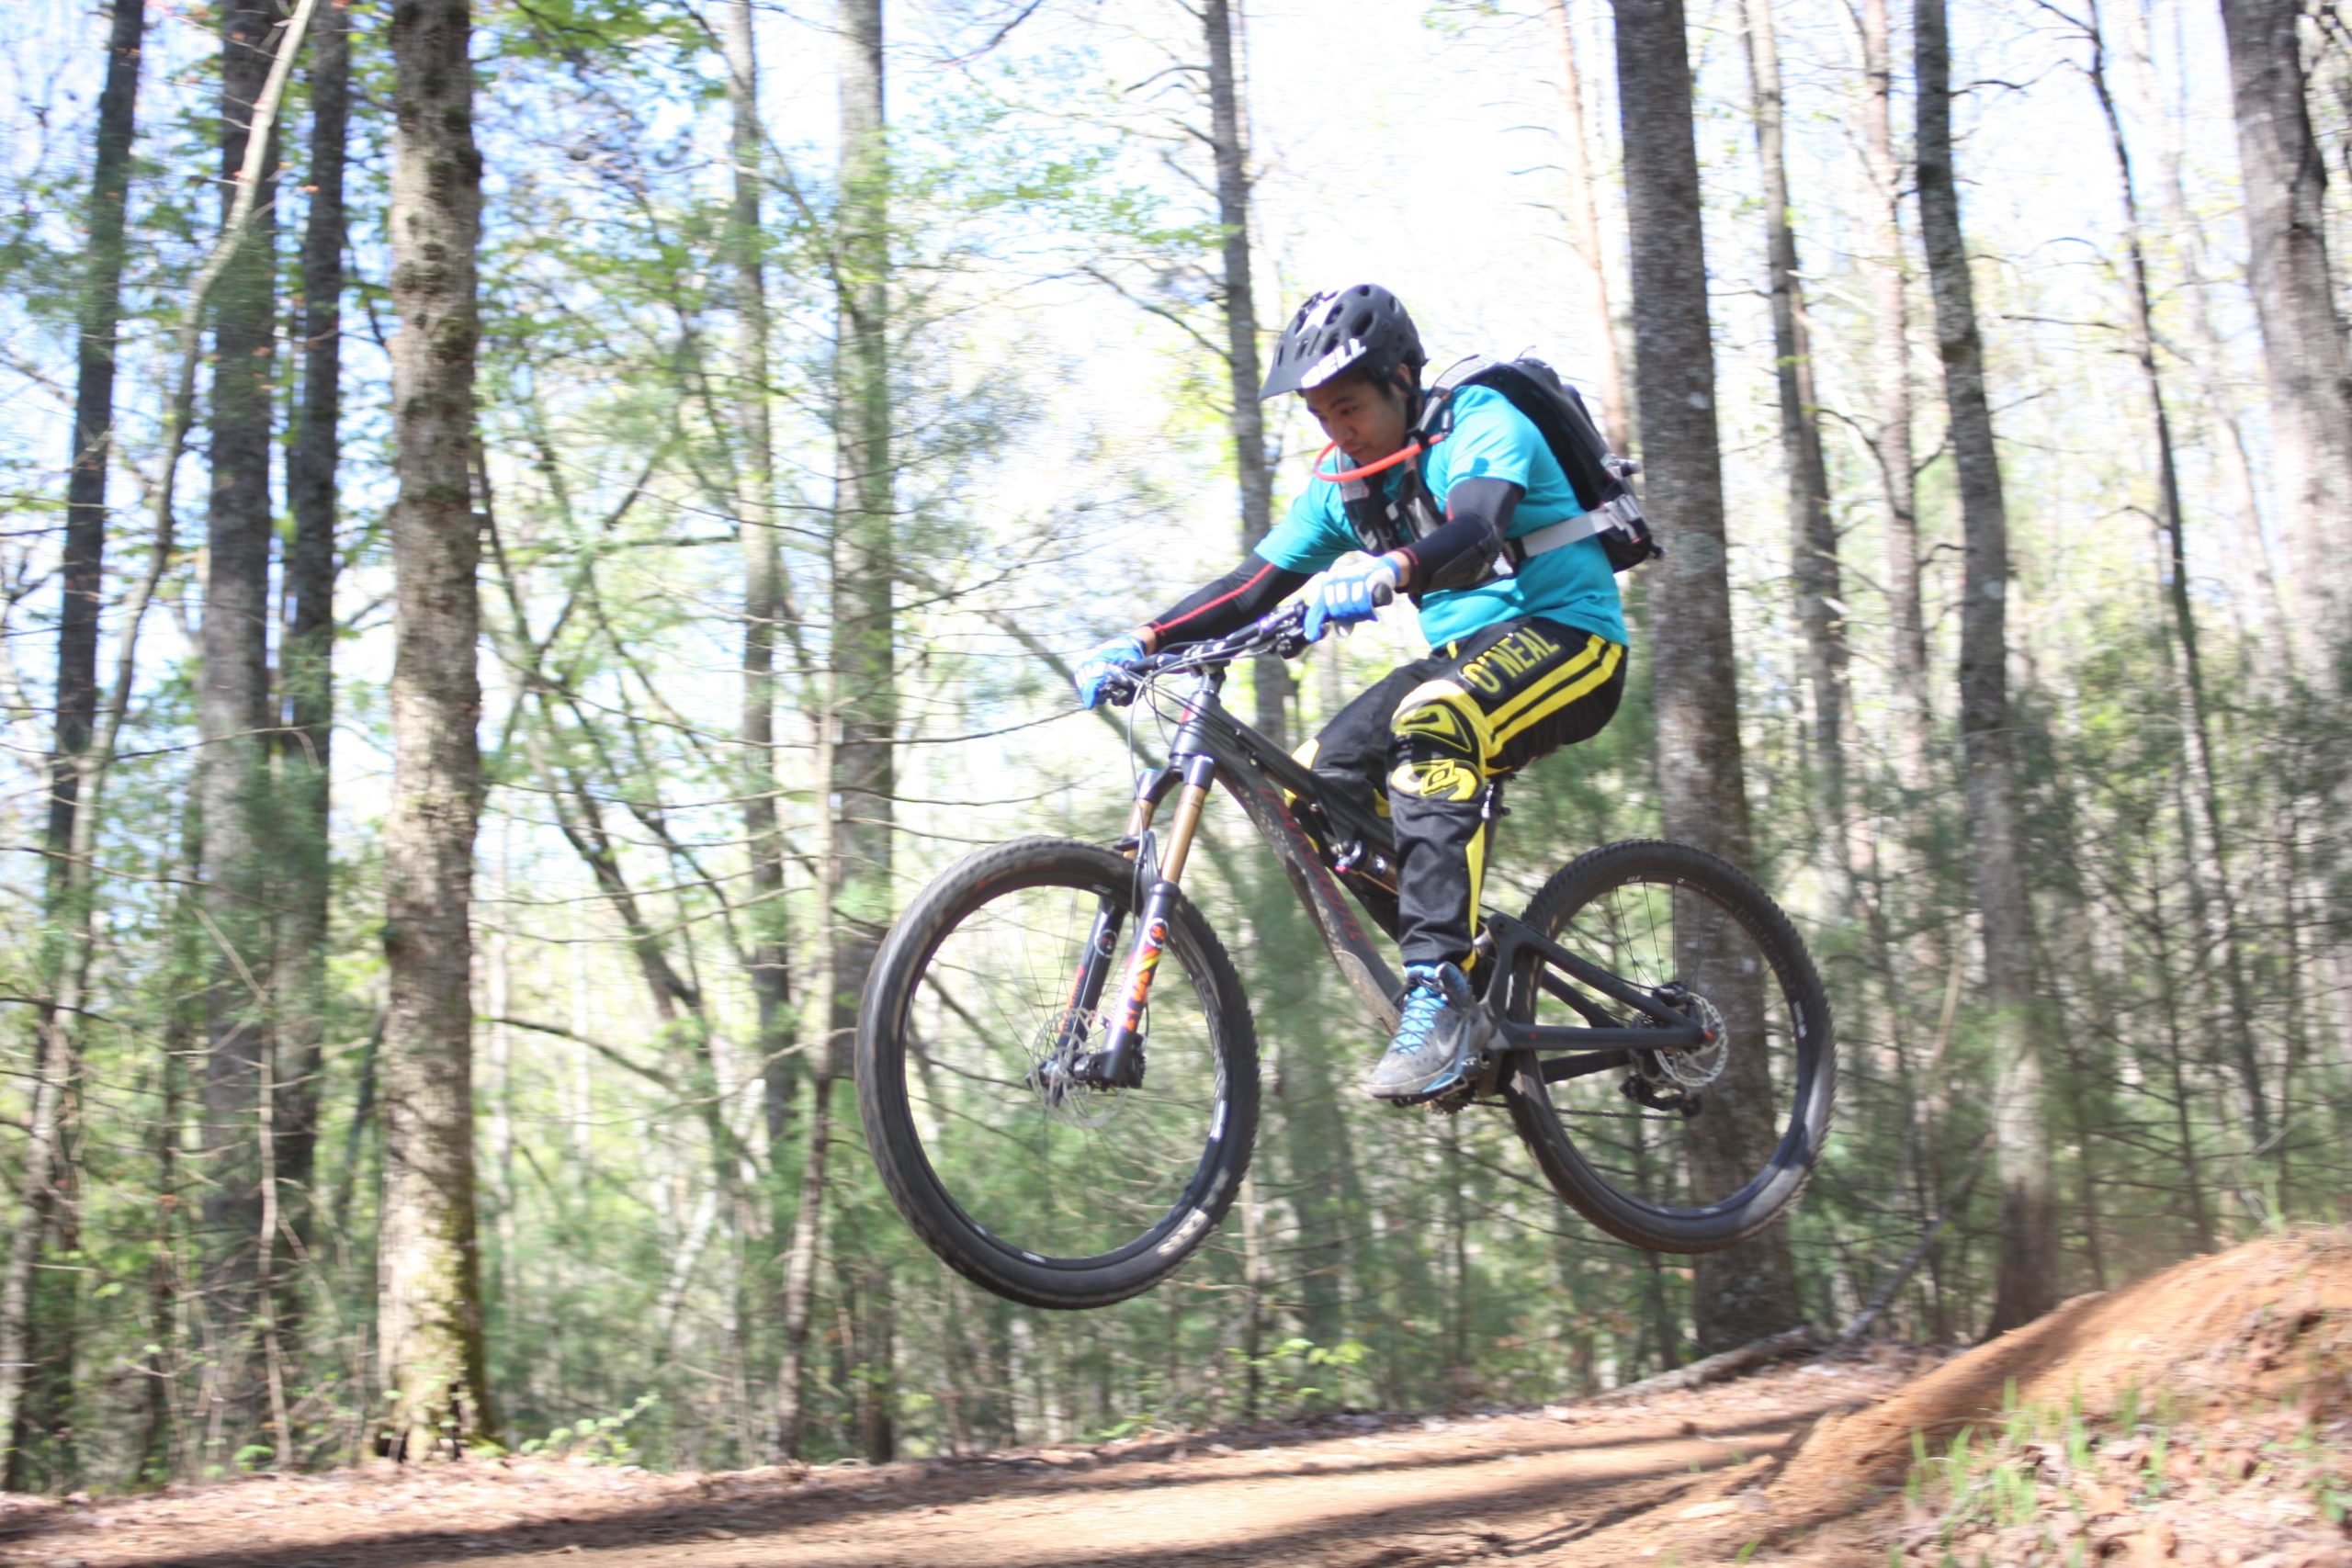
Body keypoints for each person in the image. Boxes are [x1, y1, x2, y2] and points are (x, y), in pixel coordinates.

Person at [1071, 284, 1630, 1104]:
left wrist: (1392, 568)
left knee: (1433, 720)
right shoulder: (1345, 479)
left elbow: (1475, 529)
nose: (1338, 430)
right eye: (1321, 415)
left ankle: (1438, 985)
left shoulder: (1479, 421)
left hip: (1570, 638)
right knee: (1312, 783)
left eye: (1351, 406)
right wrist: (1147, 640)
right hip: (1465, 657)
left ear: (1404, 377)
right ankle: (1460, 956)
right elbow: (1255, 583)